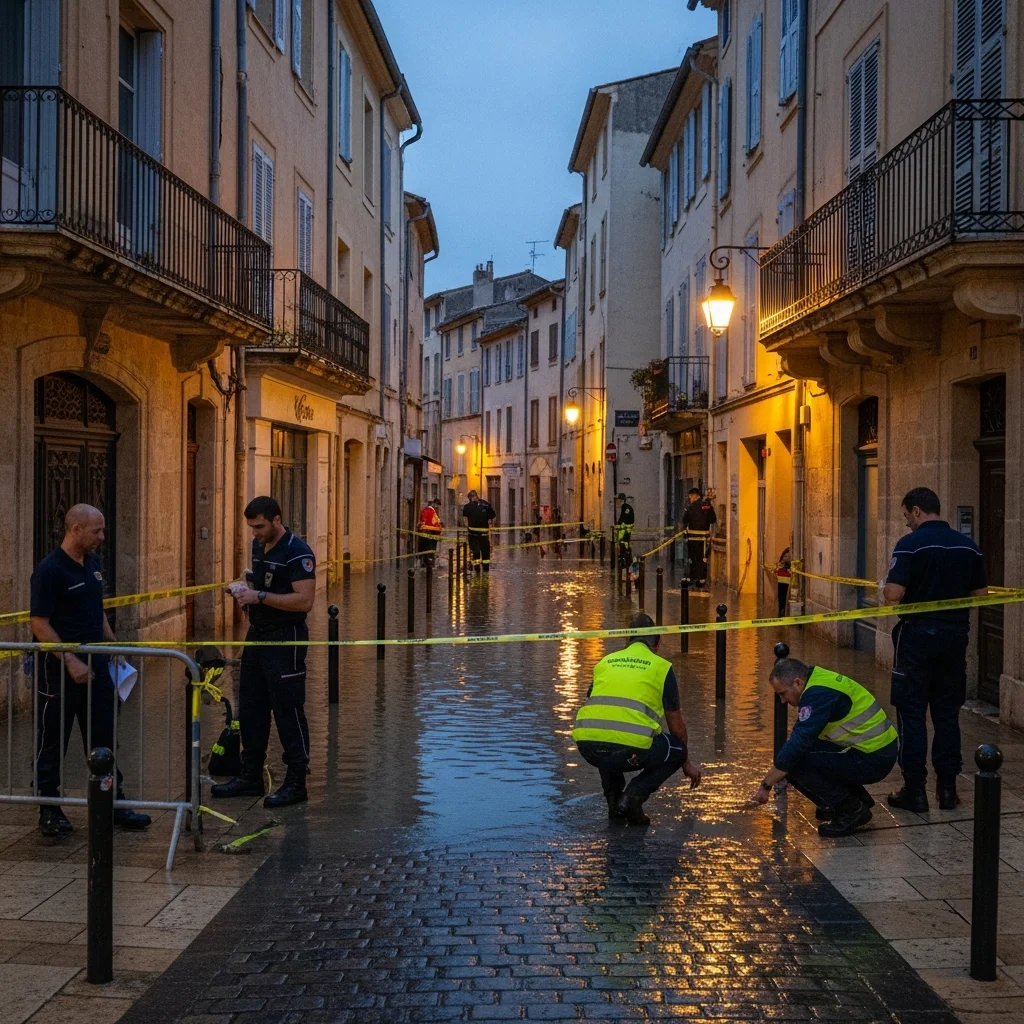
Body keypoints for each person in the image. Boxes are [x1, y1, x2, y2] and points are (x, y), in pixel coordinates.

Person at [29, 504, 151, 837]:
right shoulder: (50, 570)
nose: (102, 536)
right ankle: (49, 809)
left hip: (97, 664)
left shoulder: (93, 564)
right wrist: (70, 660)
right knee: (53, 739)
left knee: (104, 735)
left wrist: (113, 648)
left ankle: (111, 801)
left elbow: (96, 611)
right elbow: (39, 623)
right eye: (96, 531)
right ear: (75, 529)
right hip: (59, 669)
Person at [882, 487, 988, 812]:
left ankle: (915, 791)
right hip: (955, 639)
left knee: (911, 714)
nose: (907, 524)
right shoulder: (969, 546)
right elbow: (982, 594)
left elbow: (893, 593)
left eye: (906, 517)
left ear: (916, 511)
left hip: (916, 638)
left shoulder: (910, 545)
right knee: (947, 715)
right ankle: (947, 790)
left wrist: (888, 586)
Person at [212, 496, 316, 808]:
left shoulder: (297, 552)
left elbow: (304, 600)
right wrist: (243, 591)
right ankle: (250, 775)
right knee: (251, 707)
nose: (254, 533)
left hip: (286, 639)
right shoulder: (260, 547)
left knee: (288, 709)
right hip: (257, 637)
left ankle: (297, 781)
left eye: (259, 526)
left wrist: (259, 596)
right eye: (251, 527)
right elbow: (262, 586)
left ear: (276, 519)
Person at [573, 612, 702, 825]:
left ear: (628, 639)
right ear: (657, 642)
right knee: (677, 749)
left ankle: (614, 802)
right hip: (631, 751)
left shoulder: (605, 662)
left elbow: (599, 707)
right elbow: (676, 725)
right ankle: (633, 797)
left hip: (587, 747)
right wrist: (685, 762)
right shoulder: (661, 668)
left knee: (608, 734)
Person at [751, 658, 898, 837]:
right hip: (874, 750)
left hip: (874, 758)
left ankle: (851, 810)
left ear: (797, 682)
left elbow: (797, 746)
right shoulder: (816, 679)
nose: (782, 700)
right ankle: (853, 800)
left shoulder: (818, 695)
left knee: (795, 764)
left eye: (783, 693)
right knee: (799, 754)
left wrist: (766, 785)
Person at [681, 488, 716, 589]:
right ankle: (701, 579)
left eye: (691, 496)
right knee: (703, 559)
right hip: (704, 539)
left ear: (696, 496)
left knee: (692, 559)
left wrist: (684, 531)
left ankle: (692, 578)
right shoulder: (707, 507)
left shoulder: (690, 508)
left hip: (692, 539)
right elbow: (713, 519)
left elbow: (685, 521)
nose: (690, 498)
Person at [462, 490, 496, 571]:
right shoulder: (485, 505)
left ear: (471, 497)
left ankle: (479, 571)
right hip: (480, 535)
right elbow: (493, 517)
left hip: (474, 535)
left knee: (477, 553)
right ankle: (484, 571)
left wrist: (467, 526)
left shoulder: (484, 505)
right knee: (482, 553)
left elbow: (464, 520)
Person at [417, 500, 444, 566]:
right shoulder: (432, 512)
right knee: (430, 551)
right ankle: (429, 565)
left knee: (424, 550)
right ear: (434, 504)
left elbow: (422, 521)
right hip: (431, 534)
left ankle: (424, 562)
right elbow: (435, 524)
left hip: (423, 534)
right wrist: (440, 528)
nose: (438, 508)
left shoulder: (424, 510)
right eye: (437, 506)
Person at [615, 492, 634, 567]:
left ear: (621, 500)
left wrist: (619, 524)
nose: (617, 502)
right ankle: (625, 559)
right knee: (624, 543)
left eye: (618, 500)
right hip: (624, 529)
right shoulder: (626, 507)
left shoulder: (626, 507)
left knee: (624, 543)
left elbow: (624, 518)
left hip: (625, 529)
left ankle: (626, 560)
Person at [776, 548, 792, 616]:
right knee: (780, 598)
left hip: (787, 585)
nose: (787, 558)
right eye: (785, 556)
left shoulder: (791, 566)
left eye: (788, 557)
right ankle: (780, 612)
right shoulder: (779, 565)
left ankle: (784, 613)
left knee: (786, 598)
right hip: (780, 584)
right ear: (782, 557)